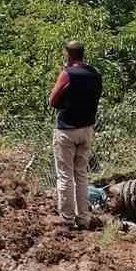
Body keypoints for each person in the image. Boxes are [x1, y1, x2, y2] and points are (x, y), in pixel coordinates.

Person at [49, 40, 102, 230]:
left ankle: (67, 219)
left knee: (65, 176)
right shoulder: (95, 74)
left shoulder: (67, 74)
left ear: (68, 55)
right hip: (87, 129)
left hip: (66, 130)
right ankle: (83, 218)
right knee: (81, 175)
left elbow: (53, 100)